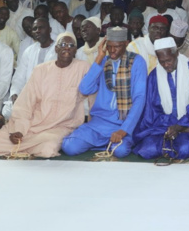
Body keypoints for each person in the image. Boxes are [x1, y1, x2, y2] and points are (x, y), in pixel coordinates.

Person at [0, 33, 91, 158]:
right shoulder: (41, 70)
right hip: (33, 124)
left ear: (75, 51)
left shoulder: (83, 67)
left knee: (48, 149)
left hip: (61, 126)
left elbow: (92, 95)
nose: (66, 47)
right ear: (56, 49)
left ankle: (23, 149)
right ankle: (29, 148)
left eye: (71, 45)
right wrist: (19, 130)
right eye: (62, 44)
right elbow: (26, 103)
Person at [61, 28, 146, 159]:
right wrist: (99, 57)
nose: (112, 51)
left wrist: (124, 129)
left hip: (122, 123)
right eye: (109, 46)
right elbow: (84, 89)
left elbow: (139, 98)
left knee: (120, 150)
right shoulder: (103, 62)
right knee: (69, 147)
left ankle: (111, 143)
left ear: (126, 43)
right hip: (98, 123)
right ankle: (105, 143)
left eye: (116, 47)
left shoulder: (137, 61)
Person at [132, 37, 189, 160]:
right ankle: (169, 147)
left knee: (185, 148)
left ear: (177, 53)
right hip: (163, 126)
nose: (166, 65)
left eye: (169, 60)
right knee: (147, 149)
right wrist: (171, 126)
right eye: (162, 61)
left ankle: (171, 147)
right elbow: (152, 110)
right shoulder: (154, 76)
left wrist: (181, 127)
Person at [6, 17, 56, 119]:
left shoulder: (57, 50)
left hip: (50, 96)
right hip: (29, 95)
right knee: (7, 111)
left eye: (41, 27)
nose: (37, 31)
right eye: (34, 29)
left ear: (50, 30)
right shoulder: (29, 50)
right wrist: (15, 93)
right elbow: (19, 77)